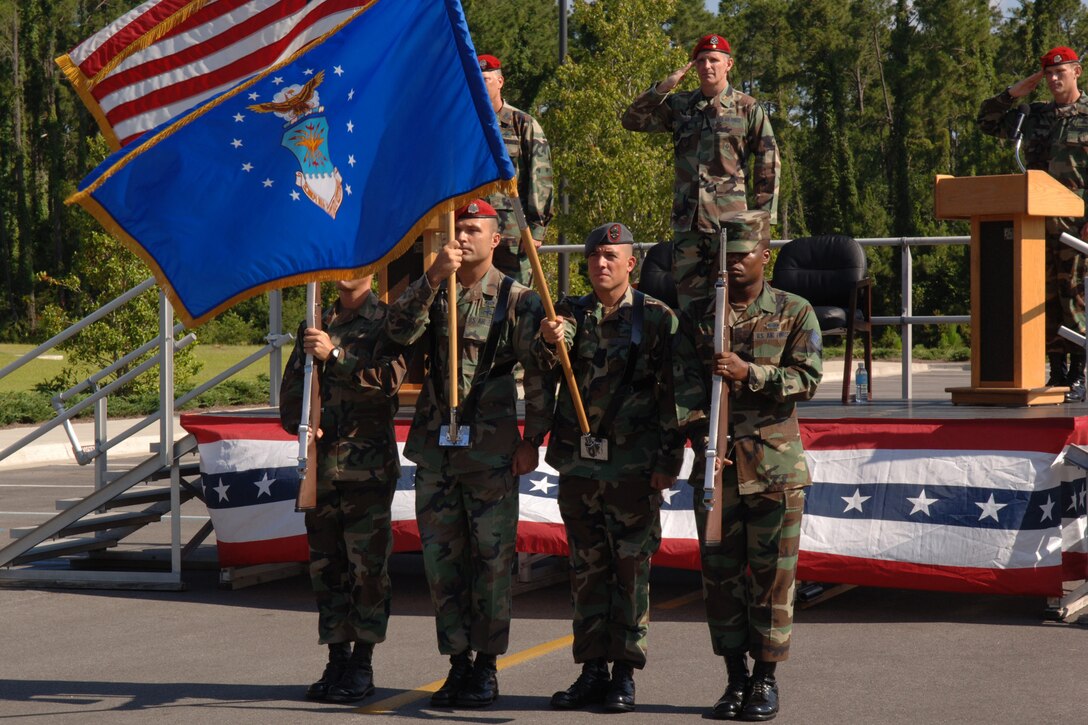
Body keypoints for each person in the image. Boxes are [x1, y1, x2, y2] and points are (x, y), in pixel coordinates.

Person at [383, 199, 553, 708]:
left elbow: (542, 374)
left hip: (491, 453)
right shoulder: (438, 292)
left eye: (473, 229)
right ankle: (456, 662)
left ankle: (486, 665)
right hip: (438, 451)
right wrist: (432, 278)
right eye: (458, 229)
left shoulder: (518, 299)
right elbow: (395, 333)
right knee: (442, 563)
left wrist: (533, 439)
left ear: (495, 239)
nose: (462, 237)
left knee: (491, 562)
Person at [535, 223, 686, 713]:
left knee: (630, 571)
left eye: (611, 256)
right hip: (580, 466)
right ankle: (591, 670)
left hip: (633, 469)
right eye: (595, 255)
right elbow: (547, 364)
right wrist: (548, 337)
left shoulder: (658, 319)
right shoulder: (569, 313)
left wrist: (668, 460)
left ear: (630, 264)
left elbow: (674, 397)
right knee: (585, 570)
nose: (601, 263)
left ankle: (624, 673)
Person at [693, 211, 821, 721]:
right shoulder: (704, 316)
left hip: (774, 468)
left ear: (765, 255)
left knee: (772, 582)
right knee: (720, 581)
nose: (733, 263)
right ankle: (734, 679)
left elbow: (807, 378)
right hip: (717, 468)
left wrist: (752, 373)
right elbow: (681, 386)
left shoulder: (794, 310)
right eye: (725, 255)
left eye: (743, 253)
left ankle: (765, 680)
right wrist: (699, 433)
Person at [279, 273, 408, 704]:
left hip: (365, 470)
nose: (346, 272)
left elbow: (389, 384)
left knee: (367, 571)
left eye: (356, 264)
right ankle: (337, 657)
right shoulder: (314, 322)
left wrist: (335, 354)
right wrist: (303, 426)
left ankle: (363, 662)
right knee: (327, 570)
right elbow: (291, 391)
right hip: (321, 468)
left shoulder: (386, 321)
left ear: (372, 269)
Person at [621, 33, 779, 316]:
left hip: (732, 226)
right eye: (702, 60)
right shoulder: (681, 106)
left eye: (714, 60)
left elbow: (768, 163)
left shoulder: (747, 108)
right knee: (690, 306)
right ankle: (692, 360)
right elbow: (632, 120)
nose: (708, 66)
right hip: (689, 225)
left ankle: (732, 361)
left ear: (728, 64)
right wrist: (662, 89)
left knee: (735, 303)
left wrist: (762, 222)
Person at [978, 45, 1088, 402]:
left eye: (1062, 72)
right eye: (1049, 74)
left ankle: (1079, 373)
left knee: (1075, 298)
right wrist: (1013, 94)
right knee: (1042, 300)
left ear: (1077, 73)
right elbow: (986, 122)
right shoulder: (1033, 115)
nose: (1055, 79)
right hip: (1035, 226)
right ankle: (1055, 372)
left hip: (1077, 227)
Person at [478, 54, 555, 285]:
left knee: (516, 298)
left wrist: (537, 229)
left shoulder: (521, 123)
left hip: (513, 231)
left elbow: (540, 176)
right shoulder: (465, 124)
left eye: (485, 79)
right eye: (475, 79)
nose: (479, 84)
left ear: (500, 82)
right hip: (474, 228)